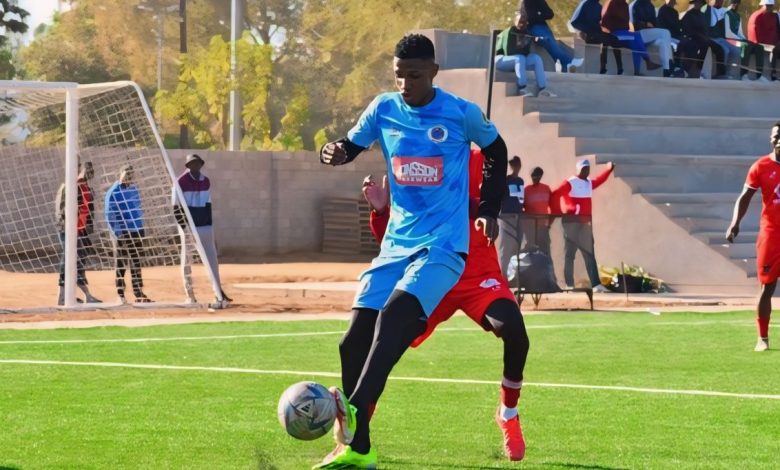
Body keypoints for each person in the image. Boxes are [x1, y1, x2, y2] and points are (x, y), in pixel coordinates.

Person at [314, 34, 508, 468]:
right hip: (395, 245)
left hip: (443, 247)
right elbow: (352, 144)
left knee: (395, 318)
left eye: (415, 75)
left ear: (434, 72)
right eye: (399, 75)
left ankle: (355, 405)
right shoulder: (383, 108)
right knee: (352, 342)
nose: (405, 83)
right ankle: (359, 448)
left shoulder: (459, 113)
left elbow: (496, 147)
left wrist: (490, 208)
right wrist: (335, 152)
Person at [357, 149, 530, 461]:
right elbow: (397, 239)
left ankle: (508, 413)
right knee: (388, 343)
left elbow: (494, 186)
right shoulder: (417, 166)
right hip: (433, 274)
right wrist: (383, 212)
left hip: (479, 274)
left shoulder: (481, 158)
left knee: (515, 331)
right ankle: (358, 428)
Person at [726, 122, 780, 352]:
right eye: (776, 136)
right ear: (771, 139)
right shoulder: (761, 166)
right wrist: (735, 223)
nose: (778, 140)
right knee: (767, 288)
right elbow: (745, 196)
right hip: (771, 234)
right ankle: (762, 338)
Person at [173, 153, 232, 305]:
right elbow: (176, 207)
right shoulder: (180, 182)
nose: (196, 166)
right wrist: (184, 227)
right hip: (188, 227)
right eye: (192, 164)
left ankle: (218, 292)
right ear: (188, 166)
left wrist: (209, 225)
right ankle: (190, 295)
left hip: (205, 226)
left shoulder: (206, 181)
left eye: (198, 163)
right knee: (187, 260)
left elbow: (208, 204)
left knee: (212, 259)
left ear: (201, 164)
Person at [551, 159, 615, 292]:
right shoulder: (570, 182)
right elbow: (555, 194)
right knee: (570, 254)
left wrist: (608, 170)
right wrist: (559, 212)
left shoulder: (588, 183)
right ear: (578, 169)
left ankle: (596, 284)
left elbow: (599, 180)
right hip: (572, 224)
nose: (586, 171)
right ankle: (569, 284)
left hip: (585, 224)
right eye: (583, 168)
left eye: (587, 168)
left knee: (589, 254)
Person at [54, 161, 101, 305]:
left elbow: (89, 212)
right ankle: (63, 296)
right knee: (69, 261)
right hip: (68, 230)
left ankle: (76, 295)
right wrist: (68, 229)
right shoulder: (69, 186)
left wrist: (86, 231)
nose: (89, 173)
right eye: (86, 169)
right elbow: (61, 210)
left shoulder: (87, 188)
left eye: (91, 170)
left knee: (79, 261)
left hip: (80, 231)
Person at [105, 164, 150, 304]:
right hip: (121, 232)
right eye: (126, 174)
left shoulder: (134, 189)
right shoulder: (113, 191)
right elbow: (110, 214)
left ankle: (138, 292)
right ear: (120, 175)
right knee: (121, 262)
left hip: (135, 230)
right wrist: (118, 232)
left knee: (136, 261)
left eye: (131, 174)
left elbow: (137, 210)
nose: (128, 177)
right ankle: (120, 293)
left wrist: (140, 228)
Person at [495, 10, 556, 97]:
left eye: (524, 22)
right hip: (501, 59)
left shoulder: (526, 33)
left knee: (536, 58)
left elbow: (526, 52)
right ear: (515, 21)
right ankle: (521, 88)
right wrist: (521, 42)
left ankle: (542, 89)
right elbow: (508, 52)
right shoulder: (510, 31)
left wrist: (535, 40)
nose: (522, 24)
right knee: (519, 58)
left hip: (518, 59)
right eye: (520, 21)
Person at [518, 0, 584, 72]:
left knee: (554, 44)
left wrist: (539, 14)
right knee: (549, 42)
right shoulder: (526, 2)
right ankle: (569, 62)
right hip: (535, 27)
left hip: (542, 27)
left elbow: (550, 14)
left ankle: (566, 64)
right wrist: (540, 14)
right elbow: (530, 16)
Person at [601, 0, 662, 75]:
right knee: (636, 37)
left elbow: (626, 24)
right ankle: (648, 62)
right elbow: (605, 22)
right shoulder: (613, 4)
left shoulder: (625, 5)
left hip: (624, 33)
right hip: (615, 34)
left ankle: (638, 71)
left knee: (636, 40)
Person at [570, 0, 626, 74]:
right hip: (585, 32)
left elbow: (601, 21)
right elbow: (577, 21)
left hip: (593, 30)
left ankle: (615, 68)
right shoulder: (587, 3)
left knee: (612, 38)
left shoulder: (595, 5)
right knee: (606, 39)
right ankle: (605, 67)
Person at [681, 0, 728, 78]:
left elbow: (705, 29)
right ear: (694, 3)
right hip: (693, 38)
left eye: (700, 3)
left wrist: (705, 36)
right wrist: (700, 36)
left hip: (704, 38)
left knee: (719, 49)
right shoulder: (689, 15)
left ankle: (720, 73)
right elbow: (687, 30)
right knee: (704, 46)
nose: (698, 4)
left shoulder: (701, 15)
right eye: (697, 3)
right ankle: (698, 70)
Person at [725, 0, 768, 81]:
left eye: (737, 3)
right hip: (729, 40)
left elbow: (740, 32)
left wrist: (744, 39)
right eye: (733, 3)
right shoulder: (727, 14)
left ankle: (759, 75)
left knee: (759, 47)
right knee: (746, 46)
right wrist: (741, 40)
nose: (735, 5)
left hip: (737, 39)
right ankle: (743, 74)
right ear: (730, 4)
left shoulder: (738, 16)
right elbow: (728, 33)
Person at [630, 0, 676, 76]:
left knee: (663, 42)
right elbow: (635, 23)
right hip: (638, 35)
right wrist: (646, 24)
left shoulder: (650, 5)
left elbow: (654, 22)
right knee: (665, 32)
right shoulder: (636, 4)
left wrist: (652, 26)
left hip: (649, 34)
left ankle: (666, 70)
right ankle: (669, 63)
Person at [498, 156, 526, 278]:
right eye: (512, 164)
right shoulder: (505, 180)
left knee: (517, 247)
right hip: (506, 217)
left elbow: (521, 200)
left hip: (518, 217)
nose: (515, 167)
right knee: (506, 248)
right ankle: (503, 277)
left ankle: (514, 277)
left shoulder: (521, 181)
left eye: (516, 164)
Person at [703, 0, 742, 78]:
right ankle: (720, 74)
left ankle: (730, 74)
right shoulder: (706, 9)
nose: (719, 1)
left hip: (721, 39)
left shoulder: (725, 11)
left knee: (736, 51)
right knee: (725, 50)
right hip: (711, 38)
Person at [524, 166, 553, 256]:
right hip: (530, 229)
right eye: (533, 176)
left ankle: (547, 269)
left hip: (543, 228)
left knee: (545, 252)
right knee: (531, 253)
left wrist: (549, 223)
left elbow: (553, 206)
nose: (534, 179)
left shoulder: (546, 189)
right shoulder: (526, 190)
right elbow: (522, 207)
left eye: (537, 176)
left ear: (540, 176)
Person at [748, 0, 780, 81]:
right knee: (775, 49)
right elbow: (756, 34)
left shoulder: (772, 16)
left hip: (772, 42)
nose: (772, 8)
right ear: (765, 5)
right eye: (770, 6)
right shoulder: (758, 16)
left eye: (772, 6)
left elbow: (774, 31)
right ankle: (772, 73)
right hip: (759, 42)